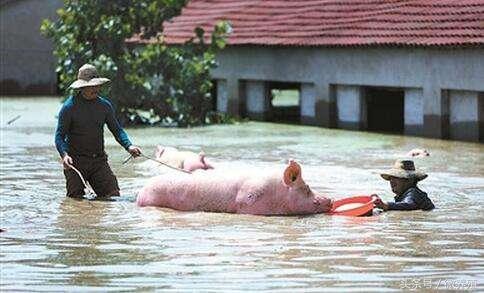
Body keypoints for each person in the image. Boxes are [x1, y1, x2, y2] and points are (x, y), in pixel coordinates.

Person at [55, 63, 142, 198]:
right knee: (75, 202)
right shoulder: (69, 108)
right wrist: (64, 155)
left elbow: (117, 130)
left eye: (97, 85)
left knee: (112, 195)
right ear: (82, 87)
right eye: (91, 86)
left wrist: (129, 146)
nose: (96, 89)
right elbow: (59, 136)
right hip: (75, 163)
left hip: (98, 162)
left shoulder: (104, 106)